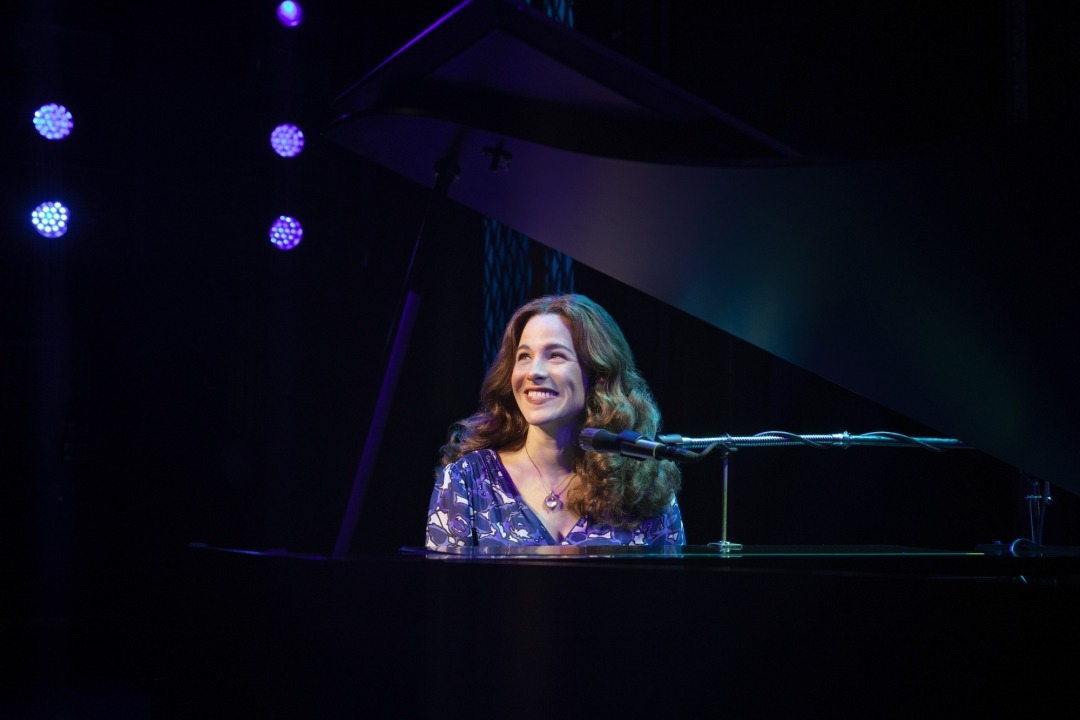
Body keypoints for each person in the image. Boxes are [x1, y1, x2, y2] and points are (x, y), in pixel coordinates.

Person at [424, 293, 684, 550]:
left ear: (598, 374)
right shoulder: (467, 479)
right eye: (524, 356)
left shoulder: (644, 485)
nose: (534, 372)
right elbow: (446, 589)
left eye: (555, 355)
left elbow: (669, 590)